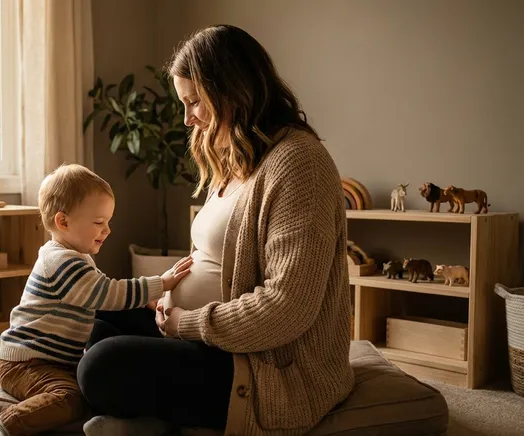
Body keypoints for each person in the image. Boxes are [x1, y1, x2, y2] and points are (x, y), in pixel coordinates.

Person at [78, 24, 355, 436]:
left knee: (102, 365)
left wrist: (184, 322)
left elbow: (286, 308)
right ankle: (144, 417)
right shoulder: (236, 157)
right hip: (202, 336)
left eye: (194, 102)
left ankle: (145, 420)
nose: (188, 118)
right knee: (92, 316)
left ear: (232, 92)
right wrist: (164, 302)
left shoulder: (300, 164)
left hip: (262, 365)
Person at [0, 163, 193, 436]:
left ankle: (116, 424)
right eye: (99, 223)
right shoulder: (61, 261)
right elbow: (106, 293)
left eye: (108, 222)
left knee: (99, 383)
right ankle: (2, 425)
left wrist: (146, 303)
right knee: (68, 398)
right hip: (28, 363)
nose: (108, 230)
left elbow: (104, 291)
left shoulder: (76, 256)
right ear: (63, 222)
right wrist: (161, 284)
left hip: (57, 359)